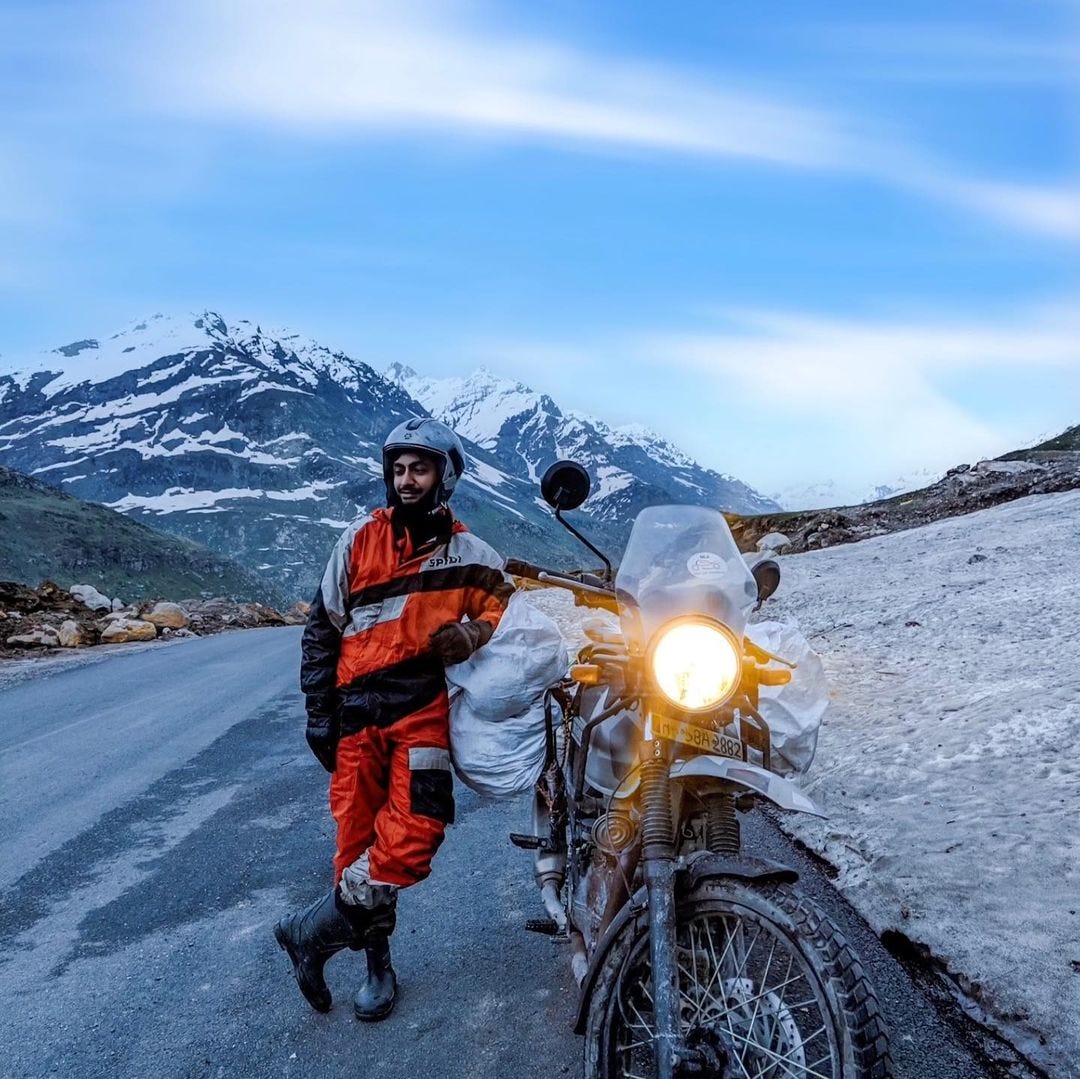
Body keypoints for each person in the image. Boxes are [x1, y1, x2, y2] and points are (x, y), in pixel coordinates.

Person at [274, 417, 513, 1021]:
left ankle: (309, 933)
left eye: (421, 469)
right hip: (356, 716)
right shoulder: (356, 542)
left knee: (414, 834)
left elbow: (507, 616)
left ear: (446, 477)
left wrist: (473, 631)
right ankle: (377, 966)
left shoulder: (474, 557)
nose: (407, 481)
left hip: (421, 712)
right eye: (399, 469)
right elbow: (322, 631)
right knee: (356, 841)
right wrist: (318, 715)